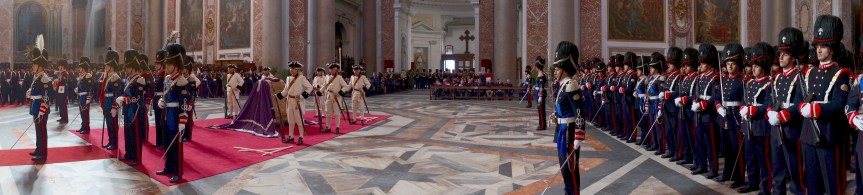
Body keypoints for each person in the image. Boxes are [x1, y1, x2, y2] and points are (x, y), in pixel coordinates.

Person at [799, 15, 850, 195]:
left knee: (831, 181)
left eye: (823, 46)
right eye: (817, 46)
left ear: (832, 48)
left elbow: (839, 104)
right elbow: (801, 99)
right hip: (808, 134)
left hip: (827, 133)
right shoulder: (810, 73)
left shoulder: (840, 73)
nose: (818, 50)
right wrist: (801, 108)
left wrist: (816, 109)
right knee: (811, 180)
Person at [766, 27, 806, 194]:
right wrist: (769, 111)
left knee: (794, 169)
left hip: (791, 128)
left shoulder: (799, 76)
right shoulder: (778, 78)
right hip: (776, 127)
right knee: (777, 167)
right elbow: (770, 99)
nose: (780, 57)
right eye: (780, 53)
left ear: (793, 56)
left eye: (786, 54)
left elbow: (799, 102)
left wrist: (783, 115)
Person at [551, 41, 585, 195]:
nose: (555, 72)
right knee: (564, 169)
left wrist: (579, 134)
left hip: (569, 132)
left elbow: (579, 112)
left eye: (557, 68)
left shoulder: (571, 85)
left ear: (565, 69)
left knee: (571, 169)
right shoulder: (563, 86)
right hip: (561, 130)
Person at [713, 43, 747, 187]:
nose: (730, 67)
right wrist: (719, 107)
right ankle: (727, 173)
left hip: (735, 119)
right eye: (728, 64)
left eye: (733, 64)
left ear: (738, 65)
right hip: (723, 118)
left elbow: (745, 100)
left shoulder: (742, 80)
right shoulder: (723, 80)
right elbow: (717, 98)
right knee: (726, 149)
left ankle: (738, 177)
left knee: (736, 150)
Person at [156, 43, 189, 183]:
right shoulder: (168, 79)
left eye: (169, 65)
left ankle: (177, 171)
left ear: (176, 65)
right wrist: (161, 102)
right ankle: (168, 167)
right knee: (167, 141)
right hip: (167, 113)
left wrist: (183, 121)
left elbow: (184, 103)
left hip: (175, 115)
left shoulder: (181, 81)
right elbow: (165, 95)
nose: (166, 67)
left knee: (176, 145)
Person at [691, 43, 721, 179]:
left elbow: (714, 98)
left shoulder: (714, 78)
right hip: (698, 114)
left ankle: (713, 168)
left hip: (708, 114)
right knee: (699, 141)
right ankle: (701, 164)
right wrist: (694, 102)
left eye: (702, 63)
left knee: (710, 143)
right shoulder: (700, 77)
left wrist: (702, 105)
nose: (700, 66)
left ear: (709, 64)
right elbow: (695, 94)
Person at [116, 49, 146, 165]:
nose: (126, 69)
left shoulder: (140, 79)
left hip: (136, 110)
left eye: (128, 67)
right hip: (128, 110)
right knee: (128, 133)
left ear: (133, 67)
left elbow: (136, 98)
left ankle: (137, 157)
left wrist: (124, 99)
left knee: (135, 134)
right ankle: (129, 153)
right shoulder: (128, 79)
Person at [27, 44, 53, 161]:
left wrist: (43, 108)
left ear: (40, 67)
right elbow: (33, 90)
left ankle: (43, 153)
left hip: (41, 108)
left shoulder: (44, 78)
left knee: (42, 130)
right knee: (38, 129)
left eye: (35, 64)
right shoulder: (37, 77)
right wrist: (29, 93)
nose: (33, 66)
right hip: (35, 106)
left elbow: (47, 96)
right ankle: (38, 149)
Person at [276, 61, 313, 144]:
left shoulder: (302, 78)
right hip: (289, 101)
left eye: (293, 69)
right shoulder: (288, 78)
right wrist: (278, 96)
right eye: (290, 69)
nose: (291, 70)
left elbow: (310, 87)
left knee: (299, 120)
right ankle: (291, 136)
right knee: (290, 120)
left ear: (297, 70)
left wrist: (301, 96)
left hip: (297, 102)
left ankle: (301, 137)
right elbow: (286, 90)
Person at [101, 50, 124, 150]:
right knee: (108, 123)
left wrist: (115, 106)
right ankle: (110, 141)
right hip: (107, 102)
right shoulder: (108, 76)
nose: (105, 67)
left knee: (113, 124)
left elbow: (117, 93)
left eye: (107, 65)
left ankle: (114, 143)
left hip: (111, 102)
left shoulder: (115, 77)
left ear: (112, 66)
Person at [324, 62, 349, 134]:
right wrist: (320, 91)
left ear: (336, 70)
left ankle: (337, 127)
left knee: (337, 113)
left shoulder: (339, 78)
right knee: (328, 112)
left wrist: (341, 92)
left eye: (333, 69)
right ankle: (328, 127)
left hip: (336, 97)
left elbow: (346, 86)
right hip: (328, 96)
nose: (331, 71)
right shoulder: (327, 77)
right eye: (330, 69)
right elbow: (324, 85)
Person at [74, 57, 94, 134]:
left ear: (84, 68)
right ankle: (83, 126)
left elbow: (90, 88)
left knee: (85, 113)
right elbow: (80, 86)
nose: (80, 69)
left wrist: (89, 97)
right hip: (80, 96)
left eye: (81, 68)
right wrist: (77, 89)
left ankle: (86, 128)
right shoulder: (81, 76)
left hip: (85, 96)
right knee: (82, 113)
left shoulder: (88, 75)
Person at [152, 50, 168, 148]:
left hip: (161, 99)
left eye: (158, 64)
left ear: (162, 64)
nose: (156, 65)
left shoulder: (164, 75)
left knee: (162, 122)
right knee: (157, 122)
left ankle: (162, 142)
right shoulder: (158, 74)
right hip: (156, 99)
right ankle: (158, 141)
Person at [182, 56, 200, 142]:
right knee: (183, 119)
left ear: (188, 70)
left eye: (184, 68)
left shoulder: (191, 79)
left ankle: (188, 136)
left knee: (188, 120)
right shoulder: (182, 79)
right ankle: (183, 134)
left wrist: (191, 103)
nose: (183, 70)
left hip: (188, 101)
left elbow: (193, 93)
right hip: (182, 102)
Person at [54, 59, 70, 124]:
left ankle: (65, 118)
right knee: (60, 104)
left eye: (60, 66)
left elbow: (63, 82)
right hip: (60, 90)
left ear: (62, 66)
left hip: (63, 91)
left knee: (63, 105)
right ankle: (62, 117)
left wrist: (57, 81)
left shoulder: (65, 73)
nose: (58, 67)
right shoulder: (61, 73)